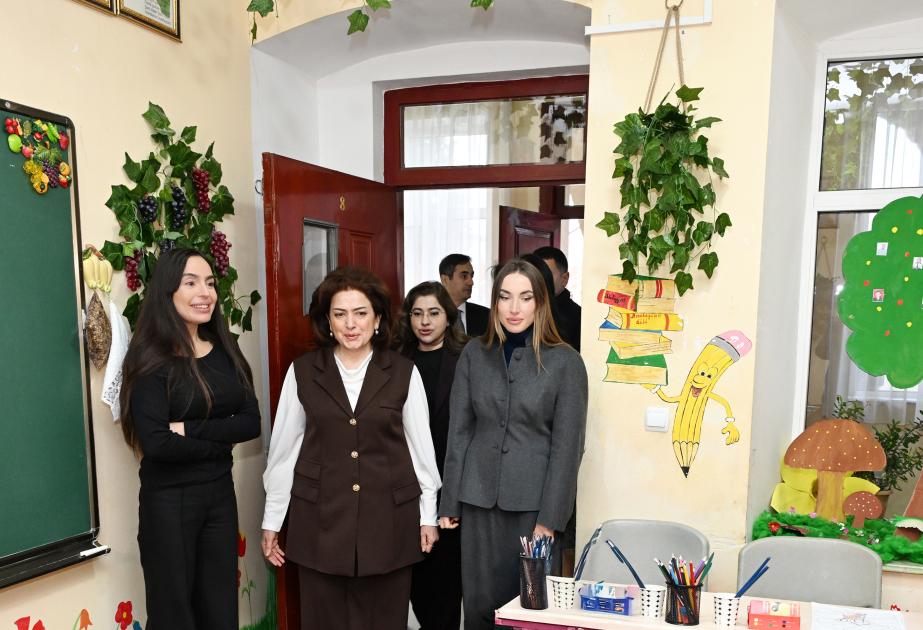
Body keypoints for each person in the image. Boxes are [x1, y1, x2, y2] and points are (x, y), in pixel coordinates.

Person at [261, 266, 442, 630]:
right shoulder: (303, 371)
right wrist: (272, 519)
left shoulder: (404, 372)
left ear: (378, 319)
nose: (350, 324)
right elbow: (283, 452)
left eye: (361, 313)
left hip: (389, 521)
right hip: (319, 522)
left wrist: (428, 515)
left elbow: (422, 451)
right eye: (339, 314)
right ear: (327, 320)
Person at [439, 259, 589, 630]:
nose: (514, 308)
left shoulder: (567, 363)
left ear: (540, 302)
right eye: (505, 297)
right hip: (477, 501)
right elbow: (459, 431)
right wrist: (450, 501)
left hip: (533, 508)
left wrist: (551, 520)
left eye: (525, 297)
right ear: (494, 303)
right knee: (478, 606)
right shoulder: (475, 354)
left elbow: (568, 449)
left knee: (529, 609)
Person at [118, 248, 262, 630]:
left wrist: (192, 429)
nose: (206, 293)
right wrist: (219, 442)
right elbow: (158, 444)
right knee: (174, 616)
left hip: (219, 496)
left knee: (220, 612)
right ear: (168, 292)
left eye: (211, 283)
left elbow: (250, 423)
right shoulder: (148, 358)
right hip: (169, 502)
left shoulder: (224, 349)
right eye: (191, 282)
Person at [394, 281, 469, 630]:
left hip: (453, 484)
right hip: (404, 485)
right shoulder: (394, 359)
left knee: (446, 583)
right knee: (415, 581)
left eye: (434, 312)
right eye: (417, 313)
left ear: (448, 316)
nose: (425, 321)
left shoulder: (469, 355)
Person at [533, 246, 581, 352]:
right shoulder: (523, 310)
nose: (541, 280)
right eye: (536, 274)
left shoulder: (578, 317)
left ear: (565, 279)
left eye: (548, 274)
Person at [440, 253, 489, 337]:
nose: (471, 282)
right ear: (445, 280)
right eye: (464, 276)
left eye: (471, 276)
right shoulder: (430, 315)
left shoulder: (486, 316)